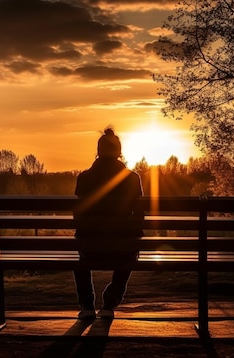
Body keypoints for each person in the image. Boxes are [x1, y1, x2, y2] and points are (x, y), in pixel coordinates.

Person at [73, 126, 144, 320]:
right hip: (122, 247)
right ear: (119, 152)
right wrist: (134, 235)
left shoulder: (84, 178)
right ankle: (109, 303)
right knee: (131, 253)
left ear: (98, 151)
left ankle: (87, 305)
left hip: (90, 246)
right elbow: (139, 215)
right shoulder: (132, 178)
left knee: (80, 260)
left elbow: (78, 214)